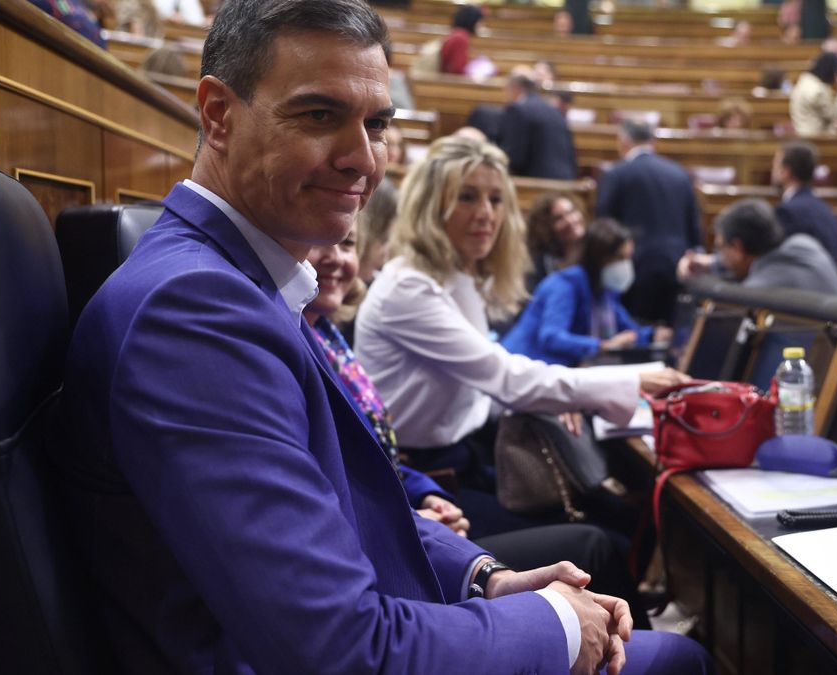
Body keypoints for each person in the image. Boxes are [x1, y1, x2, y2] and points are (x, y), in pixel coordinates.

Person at [54, 2, 711, 673]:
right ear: (218, 114)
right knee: (677, 658)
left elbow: (347, 504)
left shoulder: (245, 279)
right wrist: (554, 625)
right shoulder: (195, 310)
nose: (362, 158)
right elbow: (342, 650)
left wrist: (486, 578)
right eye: (318, 115)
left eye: (378, 124)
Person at [303, 233, 651, 626]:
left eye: (348, 244)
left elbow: (380, 453)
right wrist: (410, 513)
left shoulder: (328, 336)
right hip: (388, 535)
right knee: (596, 542)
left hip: (427, 490)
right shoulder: (390, 297)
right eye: (466, 197)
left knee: (609, 519)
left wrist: (428, 495)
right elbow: (337, 484)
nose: (484, 216)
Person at [356, 135, 690, 481]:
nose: (487, 214)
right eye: (468, 197)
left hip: (462, 451)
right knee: (596, 533)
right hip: (418, 471)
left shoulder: (456, 276)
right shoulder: (409, 287)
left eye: (496, 200)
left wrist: (558, 400)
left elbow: (484, 391)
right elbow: (505, 378)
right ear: (430, 206)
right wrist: (632, 380)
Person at [503, 218, 674, 367]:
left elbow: (627, 330)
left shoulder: (604, 293)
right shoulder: (564, 285)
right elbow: (551, 337)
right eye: (620, 258)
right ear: (599, 257)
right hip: (522, 372)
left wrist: (653, 335)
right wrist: (601, 346)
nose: (625, 266)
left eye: (628, 257)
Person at [595, 120, 702, 324]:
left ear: (623, 142)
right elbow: (694, 226)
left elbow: (604, 225)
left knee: (636, 330)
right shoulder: (679, 173)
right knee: (669, 331)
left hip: (634, 265)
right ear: (652, 142)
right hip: (677, 263)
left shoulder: (616, 173)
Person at [712, 198, 837, 293]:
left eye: (720, 248)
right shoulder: (806, 243)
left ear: (737, 248)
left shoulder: (755, 292)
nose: (721, 257)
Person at [497, 67, 579, 180]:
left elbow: (516, 157)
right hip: (567, 180)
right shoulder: (553, 110)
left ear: (515, 88)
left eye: (506, 89)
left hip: (538, 182)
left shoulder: (518, 110)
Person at [773, 140, 837, 265]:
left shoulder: (787, 212)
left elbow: (779, 261)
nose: (773, 170)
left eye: (776, 165)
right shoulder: (825, 209)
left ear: (786, 172)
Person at [526, 191, 588, 289]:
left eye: (571, 212)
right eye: (559, 219)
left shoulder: (596, 251)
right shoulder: (540, 265)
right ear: (547, 229)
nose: (570, 220)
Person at [789, 51, 837, 137]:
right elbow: (834, 114)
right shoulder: (818, 91)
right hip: (818, 138)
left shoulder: (805, 82)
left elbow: (817, 115)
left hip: (804, 133)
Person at [440, 4, 484, 75]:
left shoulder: (457, 33)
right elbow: (458, 69)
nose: (481, 25)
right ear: (472, 20)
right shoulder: (461, 37)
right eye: (480, 21)